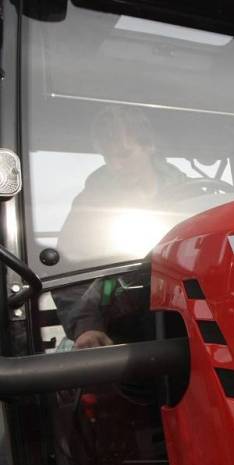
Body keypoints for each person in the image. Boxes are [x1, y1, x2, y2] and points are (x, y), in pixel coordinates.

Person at [55, 106, 188, 349]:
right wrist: (88, 327)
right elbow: (69, 268)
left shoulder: (191, 195)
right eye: (108, 157)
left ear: (149, 147)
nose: (115, 165)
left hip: (189, 312)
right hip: (124, 325)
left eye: (124, 155)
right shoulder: (92, 203)